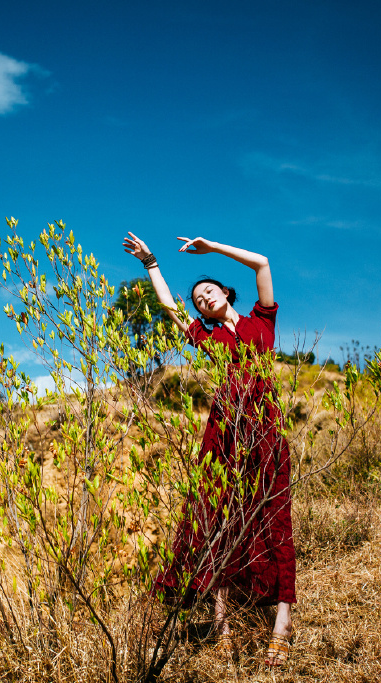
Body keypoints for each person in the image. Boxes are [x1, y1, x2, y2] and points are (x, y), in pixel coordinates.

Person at [122, 232, 296, 667]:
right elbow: (170, 308)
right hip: (225, 434)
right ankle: (222, 627)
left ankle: (282, 624)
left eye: (208, 291)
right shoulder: (206, 336)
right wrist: (152, 264)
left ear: (225, 292)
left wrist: (214, 248)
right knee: (221, 520)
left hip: (267, 429)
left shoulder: (262, 321)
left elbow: (262, 263)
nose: (203, 300)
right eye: (198, 299)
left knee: (275, 520)